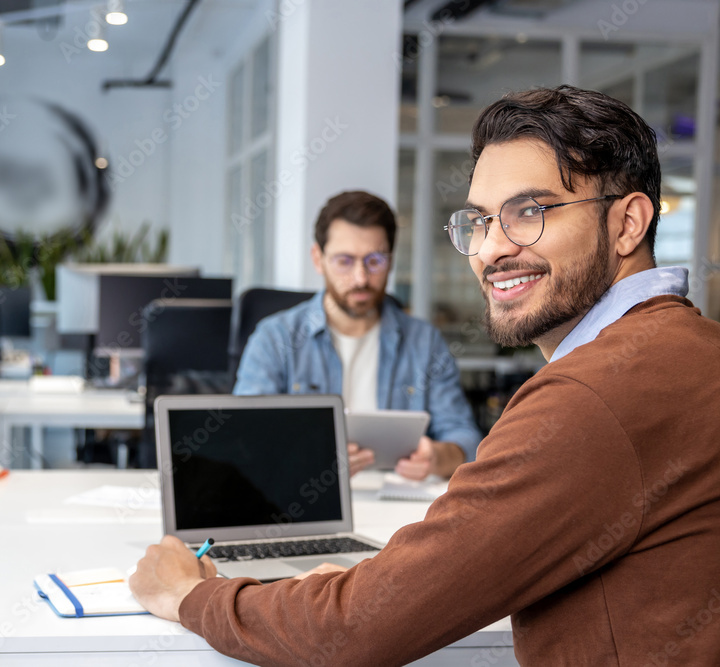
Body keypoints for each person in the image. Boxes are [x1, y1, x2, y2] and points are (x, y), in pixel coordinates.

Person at [129, 85, 720, 665]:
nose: (490, 250)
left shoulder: (591, 397)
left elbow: (354, 632)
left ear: (627, 224)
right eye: (480, 221)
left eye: (529, 213)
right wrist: (380, 584)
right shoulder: (693, 349)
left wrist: (190, 593)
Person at [233, 190, 481, 479]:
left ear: (391, 259)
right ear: (318, 258)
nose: (361, 278)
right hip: (302, 497)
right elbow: (244, 438)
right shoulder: (275, 339)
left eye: (375, 260)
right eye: (344, 261)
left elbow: (466, 439)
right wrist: (308, 458)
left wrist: (437, 458)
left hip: (398, 503)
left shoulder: (424, 343)